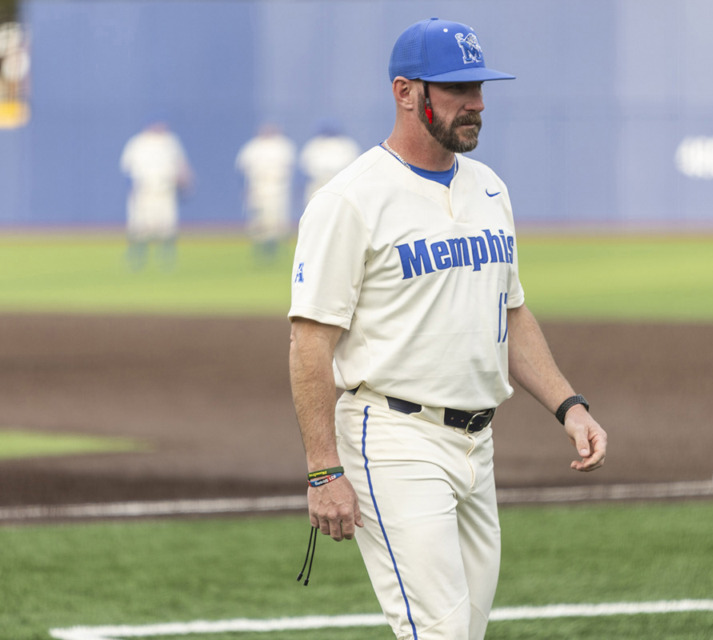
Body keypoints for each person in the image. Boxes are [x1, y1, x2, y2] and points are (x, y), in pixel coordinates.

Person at [288, 18, 608, 640]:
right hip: (393, 438)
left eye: (480, 86)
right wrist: (324, 470)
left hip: (476, 443)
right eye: (458, 88)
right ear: (406, 93)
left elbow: (510, 311)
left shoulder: (489, 188)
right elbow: (309, 342)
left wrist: (569, 406)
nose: (478, 103)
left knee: (466, 628)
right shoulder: (350, 199)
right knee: (440, 633)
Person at [119, 121, 192, 271]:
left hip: (165, 190)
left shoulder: (170, 141)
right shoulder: (137, 143)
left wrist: (185, 183)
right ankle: (136, 260)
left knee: (167, 226)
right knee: (139, 227)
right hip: (144, 190)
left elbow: (181, 165)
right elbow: (127, 167)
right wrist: (131, 187)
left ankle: (167, 261)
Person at [235, 123, 297, 264]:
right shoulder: (253, 147)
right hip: (258, 185)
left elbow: (291, 168)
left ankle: (276, 252)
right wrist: (244, 188)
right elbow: (242, 169)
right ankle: (260, 252)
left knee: (277, 220)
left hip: (278, 186)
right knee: (258, 221)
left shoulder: (283, 145)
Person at [297, 118, 360, 204]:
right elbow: (306, 164)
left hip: (340, 183)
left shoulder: (346, 144)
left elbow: (353, 163)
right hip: (318, 182)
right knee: (314, 205)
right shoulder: (314, 144)